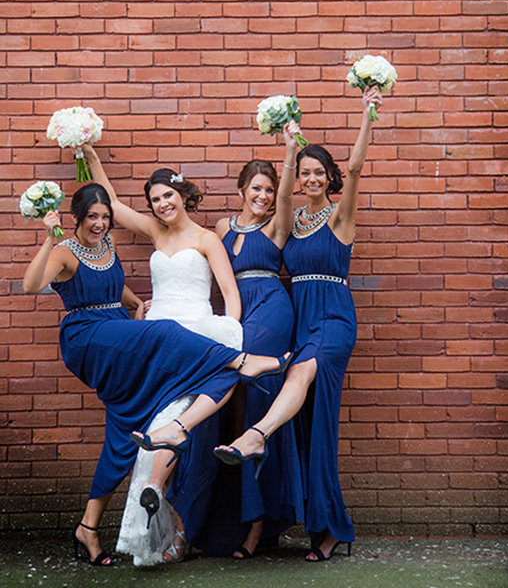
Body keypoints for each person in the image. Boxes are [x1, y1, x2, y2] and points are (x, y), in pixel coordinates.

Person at [22, 183, 290, 567]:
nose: (99, 224)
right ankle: (241, 361)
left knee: (121, 434)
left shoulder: (106, 246)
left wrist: (134, 302)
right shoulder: (65, 251)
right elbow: (31, 285)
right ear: (76, 219)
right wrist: (49, 238)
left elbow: (111, 285)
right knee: (165, 330)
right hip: (89, 338)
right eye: (92, 218)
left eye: (105, 218)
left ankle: (88, 527)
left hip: (117, 331)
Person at [213, 85, 382, 561]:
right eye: (305, 173)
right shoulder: (295, 220)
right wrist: (289, 147)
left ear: (329, 178)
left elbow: (356, 167)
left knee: (303, 372)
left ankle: (256, 434)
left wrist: (368, 113)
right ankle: (326, 528)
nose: (310, 179)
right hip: (301, 317)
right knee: (311, 426)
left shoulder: (339, 217)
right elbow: (280, 191)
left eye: (317, 173)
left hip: (332, 317)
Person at [208, 121, 303, 558]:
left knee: (256, 403)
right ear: (242, 190)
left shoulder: (275, 227)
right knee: (235, 409)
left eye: (269, 190)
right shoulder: (220, 227)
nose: (264, 197)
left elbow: (286, 198)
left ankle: (258, 525)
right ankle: (232, 515)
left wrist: (288, 151)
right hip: (234, 315)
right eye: (257, 189)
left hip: (271, 309)